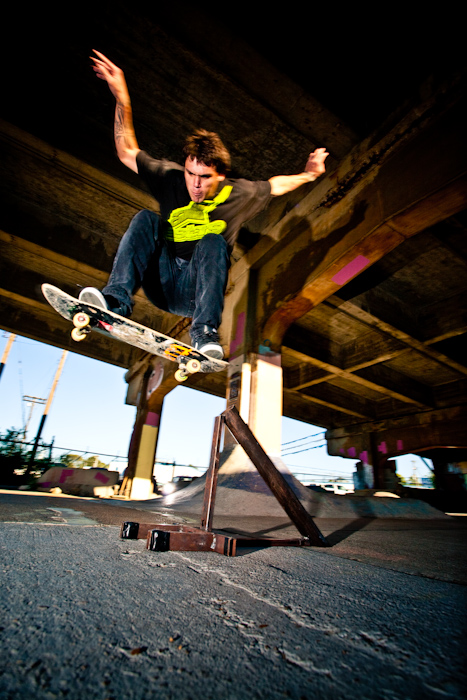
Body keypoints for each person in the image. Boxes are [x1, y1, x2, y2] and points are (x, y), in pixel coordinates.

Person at [80, 50, 328, 359]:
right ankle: (115, 301)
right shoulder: (170, 177)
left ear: (221, 176)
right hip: (161, 281)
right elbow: (126, 151)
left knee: (213, 240)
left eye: (205, 178)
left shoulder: (239, 193)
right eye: (190, 174)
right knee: (146, 218)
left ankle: (204, 333)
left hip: (195, 294)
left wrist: (308, 175)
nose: (195, 185)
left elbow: (276, 186)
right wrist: (122, 98)